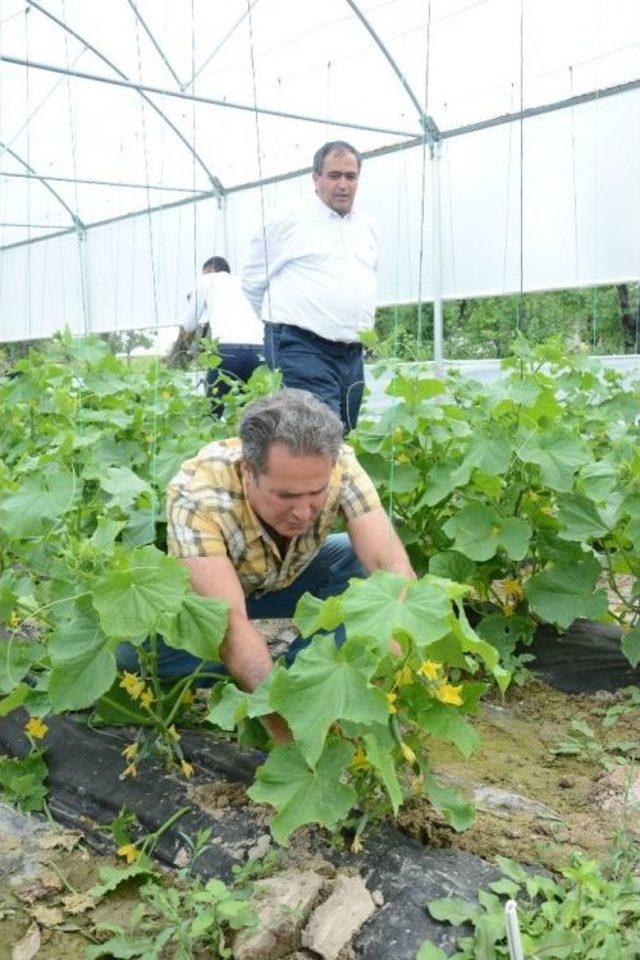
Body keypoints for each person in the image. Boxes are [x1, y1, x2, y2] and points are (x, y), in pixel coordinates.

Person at [163, 389, 414, 741]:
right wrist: (292, 736)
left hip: (287, 578)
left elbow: (390, 564)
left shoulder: (338, 463)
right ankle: (268, 682)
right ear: (247, 471)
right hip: (217, 596)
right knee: (139, 656)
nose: (302, 511)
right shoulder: (197, 496)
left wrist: (397, 653)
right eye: (286, 496)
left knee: (360, 562)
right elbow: (229, 626)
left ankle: (309, 671)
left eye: (316, 494)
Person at [242, 142, 378, 432]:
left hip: (351, 353)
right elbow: (253, 280)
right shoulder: (288, 220)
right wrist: (279, 327)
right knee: (313, 437)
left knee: (345, 434)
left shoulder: (366, 226)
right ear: (316, 178)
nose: (343, 184)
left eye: (350, 176)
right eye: (334, 175)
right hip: (301, 346)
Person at [178, 256, 264, 410]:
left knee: (212, 412)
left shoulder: (206, 280)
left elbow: (189, 324)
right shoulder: (243, 283)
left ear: (210, 270)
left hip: (227, 352)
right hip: (259, 352)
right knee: (252, 415)